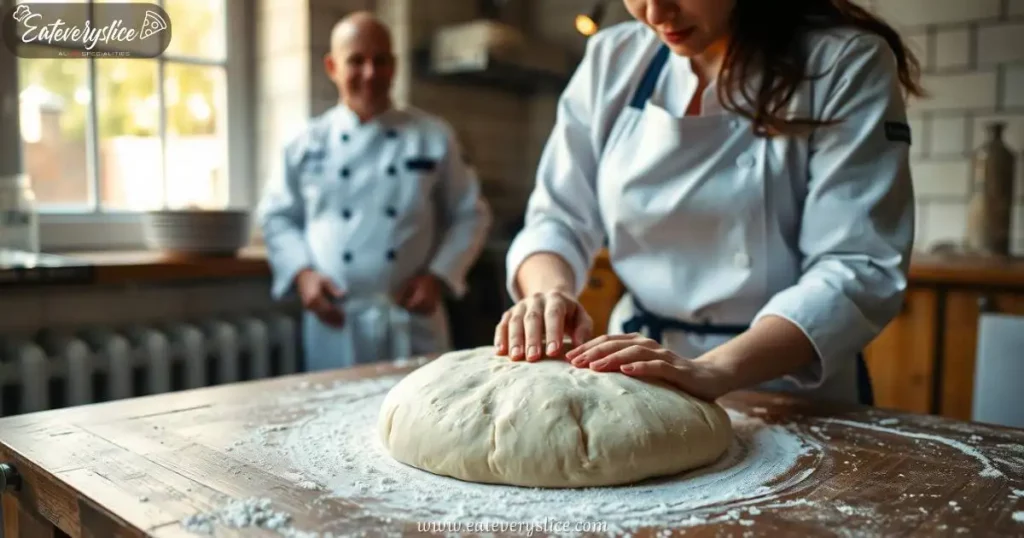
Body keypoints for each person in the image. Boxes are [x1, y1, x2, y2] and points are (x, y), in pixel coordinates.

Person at [495, 0, 922, 406]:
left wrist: (715, 369)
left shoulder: (842, 62)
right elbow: (558, 217)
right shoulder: (615, 57)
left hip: (786, 385)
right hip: (637, 375)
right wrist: (549, 293)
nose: (656, 12)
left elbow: (856, 264)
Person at [258, 11, 492, 371]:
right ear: (332, 66)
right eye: (357, 61)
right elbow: (277, 217)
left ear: (394, 66)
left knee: (420, 419)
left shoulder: (433, 135)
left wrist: (439, 276)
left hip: (410, 317)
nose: (370, 73)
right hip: (336, 321)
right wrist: (303, 275)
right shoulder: (304, 142)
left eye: (381, 60)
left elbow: (470, 213)